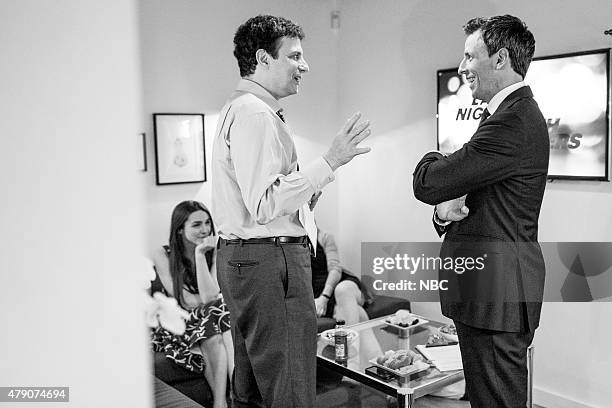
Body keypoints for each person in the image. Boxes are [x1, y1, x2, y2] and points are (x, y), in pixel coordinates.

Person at [211, 15, 371, 408]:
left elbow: (263, 198)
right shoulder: (255, 114)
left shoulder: (240, 108)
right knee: (291, 388)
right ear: (264, 58)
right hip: (270, 262)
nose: (305, 66)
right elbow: (264, 203)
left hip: (246, 259)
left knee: (252, 388)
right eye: (295, 56)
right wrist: (329, 162)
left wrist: (305, 198)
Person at [413, 15, 549, 408]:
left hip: (496, 297)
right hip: (486, 294)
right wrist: (444, 214)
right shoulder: (506, 115)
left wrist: (437, 156)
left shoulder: (514, 120)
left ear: (501, 58)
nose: (462, 67)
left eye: (470, 56)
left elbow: (429, 183)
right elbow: (471, 200)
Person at [151, 201, 234, 408]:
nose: (205, 229)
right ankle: (234, 396)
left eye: (207, 223)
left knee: (217, 318)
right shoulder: (163, 254)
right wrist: (199, 254)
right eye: (196, 225)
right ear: (180, 230)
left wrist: (202, 256)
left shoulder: (216, 249)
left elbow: (209, 297)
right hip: (178, 322)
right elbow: (186, 301)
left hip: (210, 320)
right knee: (219, 314)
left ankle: (222, 402)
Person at [311, 229, 371, 325]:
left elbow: (335, 269)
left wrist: (324, 297)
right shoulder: (290, 246)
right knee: (354, 312)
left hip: (339, 283)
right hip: (319, 294)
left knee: (342, 290)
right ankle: (355, 340)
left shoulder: (324, 237)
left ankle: (347, 339)